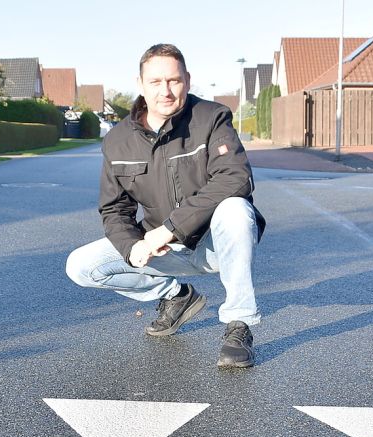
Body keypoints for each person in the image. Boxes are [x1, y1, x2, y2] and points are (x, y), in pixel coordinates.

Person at [65, 43, 266, 368]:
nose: (166, 91)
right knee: (81, 266)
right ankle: (176, 295)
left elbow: (235, 177)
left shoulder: (211, 118)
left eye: (173, 80)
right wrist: (132, 248)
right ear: (141, 84)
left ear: (187, 79)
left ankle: (238, 324)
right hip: (164, 253)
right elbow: (114, 209)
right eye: (156, 82)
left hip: (214, 244)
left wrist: (170, 230)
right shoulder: (118, 139)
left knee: (235, 209)